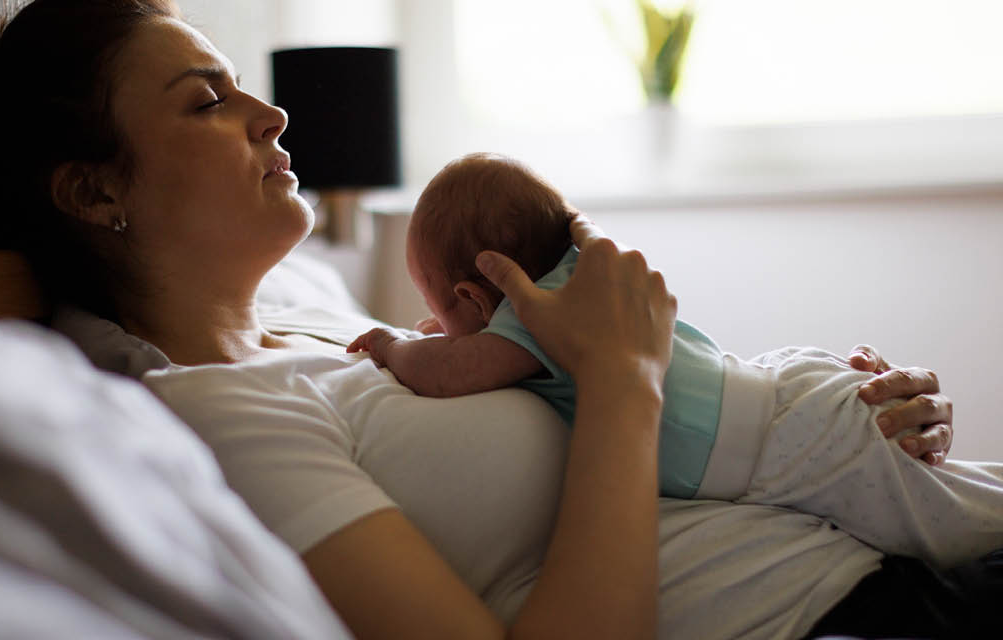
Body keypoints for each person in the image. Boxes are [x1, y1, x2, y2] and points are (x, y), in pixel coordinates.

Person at [0, 1, 996, 637]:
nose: (271, 114)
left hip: (890, 567)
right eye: (206, 103)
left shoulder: (334, 340)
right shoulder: (217, 418)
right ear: (91, 191)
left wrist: (847, 425)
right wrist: (622, 381)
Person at [347, 152, 1003, 570]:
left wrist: (390, 345)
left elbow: (449, 372)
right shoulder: (583, 283)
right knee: (960, 494)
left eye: (440, 308)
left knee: (960, 531)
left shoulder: (531, 321)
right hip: (784, 391)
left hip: (785, 439)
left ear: (470, 294)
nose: (442, 331)